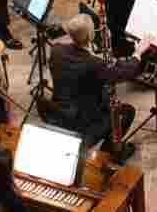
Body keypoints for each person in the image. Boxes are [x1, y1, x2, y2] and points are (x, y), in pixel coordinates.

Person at [47, 13, 139, 156]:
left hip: (60, 112)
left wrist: (91, 54)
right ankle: (109, 154)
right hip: (84, 122)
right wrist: (137, 55)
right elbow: (124, 73)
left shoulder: (56, 50)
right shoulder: (94, 64)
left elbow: (77, 67)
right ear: (90, 36)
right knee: (127, 112)